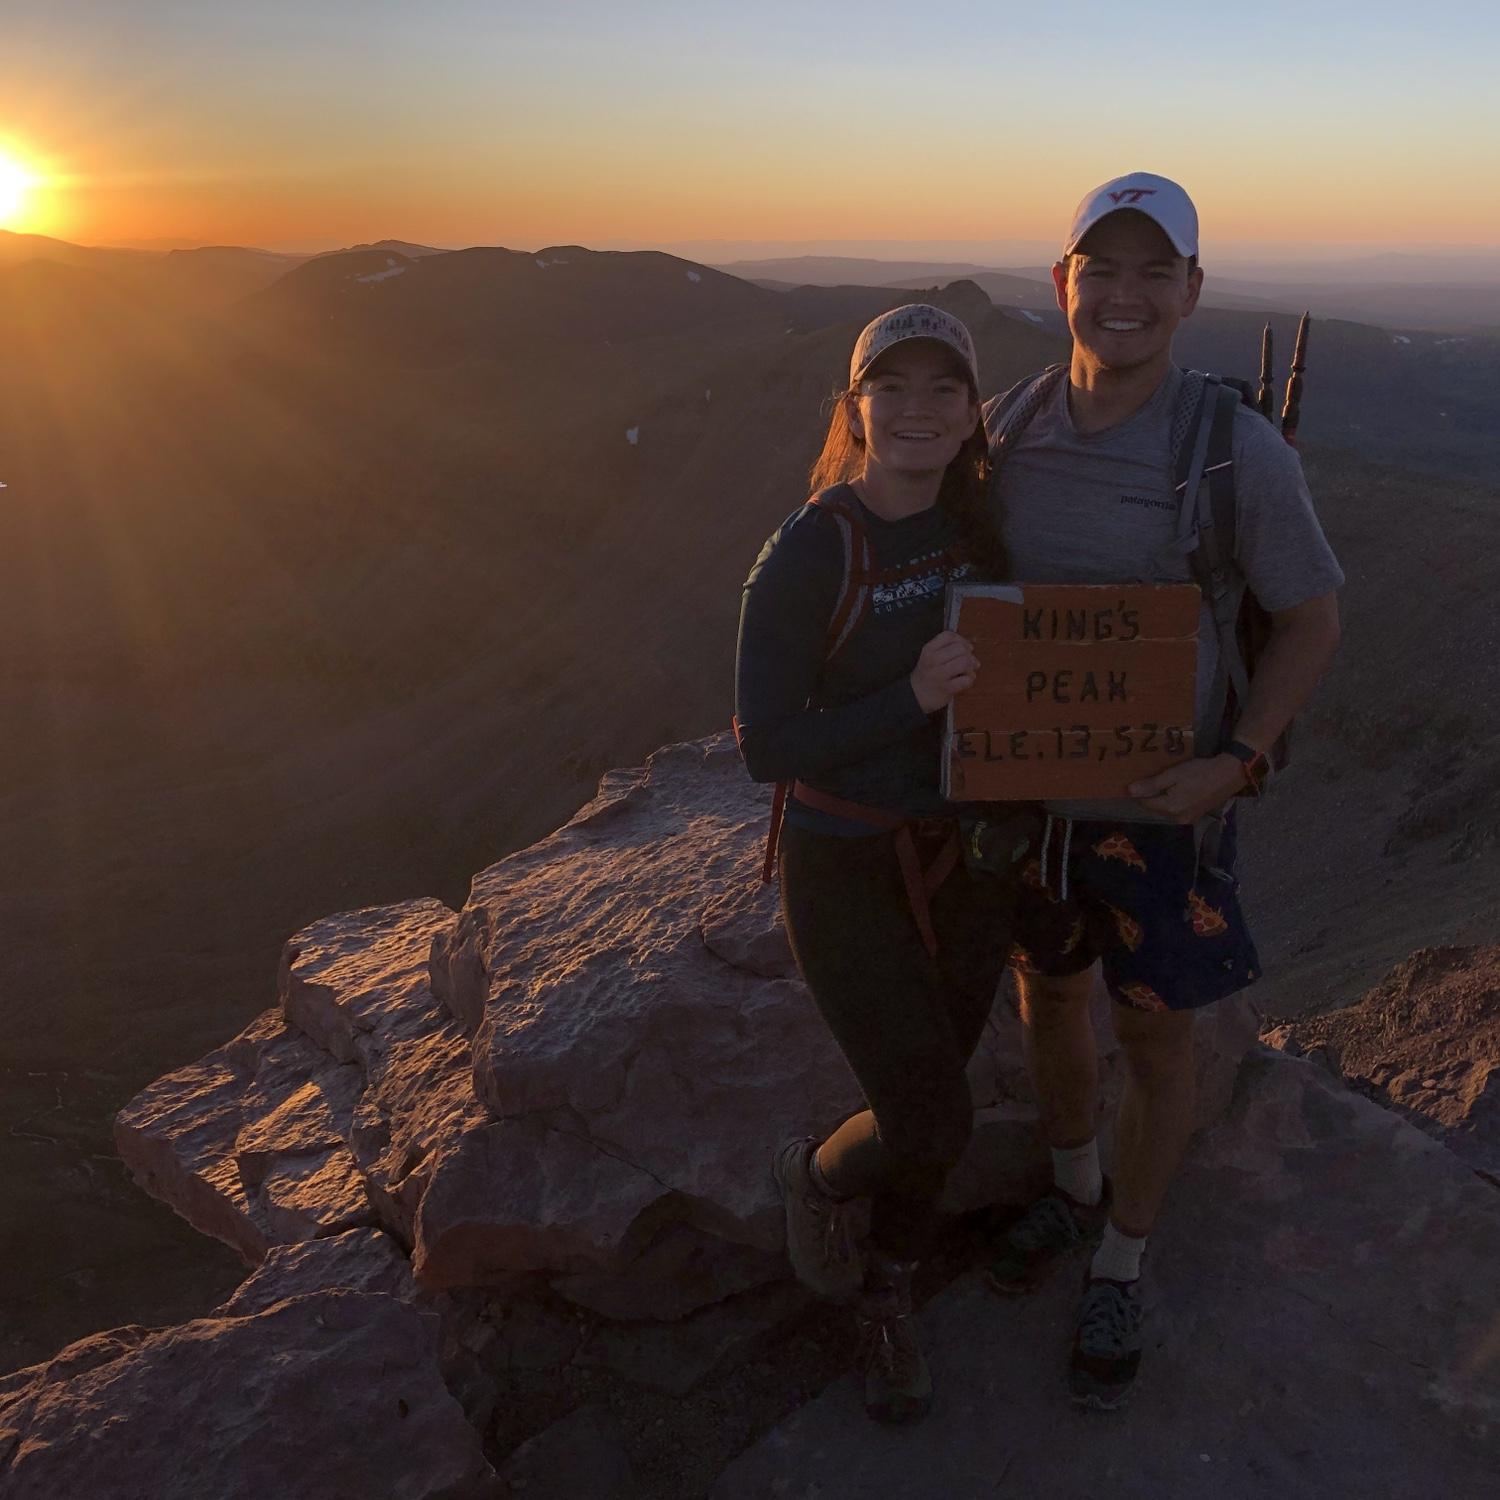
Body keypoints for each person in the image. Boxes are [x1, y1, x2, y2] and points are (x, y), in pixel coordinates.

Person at [979, 172, 1344, 1410]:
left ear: (1192, 291)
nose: (1123, 296)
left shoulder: (1229, 446)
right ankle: (1072, 1187)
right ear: (1061, 283)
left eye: (1153, 272)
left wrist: (1233, 762)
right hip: (1031, 808)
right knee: (1048, 1000)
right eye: (1102, 269)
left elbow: (1309, 619)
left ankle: (1124, 1254)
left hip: (1164, 807)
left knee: (1152, 1030)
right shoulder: (1007, 427)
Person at [734, 304, 1023, 1425]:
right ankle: (809, 1177)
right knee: (927, 1118)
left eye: (942, 390)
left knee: (937, 1096)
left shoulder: (978, 522)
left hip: (971, 855)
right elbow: (766, 744)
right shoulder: (814, 548)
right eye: (889, 389)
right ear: (854, 410)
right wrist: (909, 698)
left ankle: (891, 1282)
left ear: (970, 413)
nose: (916, 409)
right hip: (847, 857)